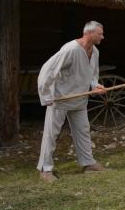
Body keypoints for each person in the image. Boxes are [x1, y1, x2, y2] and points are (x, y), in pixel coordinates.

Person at [37, 21, 107, 182]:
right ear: (89, 33)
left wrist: (95, 86)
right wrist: (46, 95)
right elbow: (47, 70)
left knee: (83, 132)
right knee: (51, 134)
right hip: (61, 99)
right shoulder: (71, 49)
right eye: (100, 34)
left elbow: (92, 74)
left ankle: (88, 164)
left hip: (80, 99)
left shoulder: (95, 51)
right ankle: (45, 169)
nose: (103, 37)